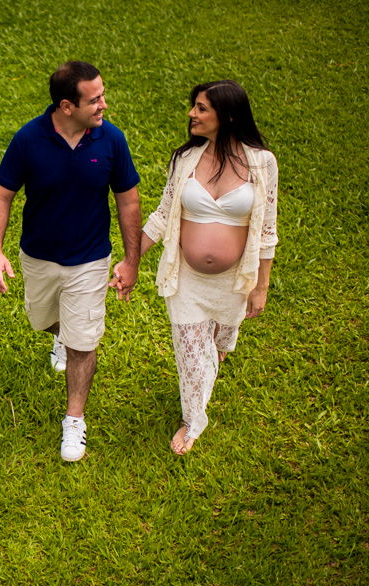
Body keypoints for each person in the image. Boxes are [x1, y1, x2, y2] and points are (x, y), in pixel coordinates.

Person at [0, 60, 142, 462]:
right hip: (38, 256)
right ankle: (59, 333)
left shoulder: (111, 141)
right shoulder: (29, 139)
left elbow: (129, 201)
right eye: (95, 99)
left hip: (90, 259)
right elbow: (2, 195)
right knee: (41, 319)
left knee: (82, 342)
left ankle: (74, 420)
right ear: (67, 106)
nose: (104, 104)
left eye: (102, 94)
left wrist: (131, 259)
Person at [112, 79, 278, 455]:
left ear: (228, 115)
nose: (192, 114)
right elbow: (160, 217)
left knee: (217, 344)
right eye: (194, 106)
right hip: (186, 280)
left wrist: (261, 286)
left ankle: (217, 349)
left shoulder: (262, 163)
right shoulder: (185, 159)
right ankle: (193, 420)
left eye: (202, 108)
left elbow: (267, 230)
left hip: (234, 282)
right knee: (190, 353)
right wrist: (130, 259)